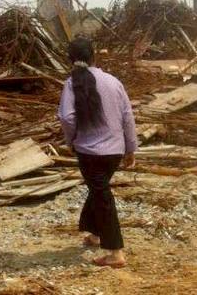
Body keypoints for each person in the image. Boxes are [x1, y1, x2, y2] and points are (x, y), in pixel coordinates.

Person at [58, 38, 137, 268]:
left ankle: (115, 252)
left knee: (102, 197)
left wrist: (71, 140)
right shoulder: (114, 82)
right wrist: (130, 148)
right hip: (114, 150)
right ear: (95, 55)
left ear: (70, 59)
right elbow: (127, 116)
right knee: (98, 190)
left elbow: (66, 117)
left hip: (89, 151)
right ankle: (93, 234)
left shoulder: (71, 84)